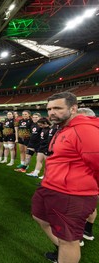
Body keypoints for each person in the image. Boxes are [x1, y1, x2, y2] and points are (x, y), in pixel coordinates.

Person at [31, 92, 99, 263]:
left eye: (57, 108)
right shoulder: (64, 127)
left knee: (69, 240)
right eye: (49, 109)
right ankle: (61, 251)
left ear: (73, 108)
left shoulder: (84, 129)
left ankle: (65, 252)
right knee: (40, 217)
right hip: (51, 187)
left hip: (72, 194)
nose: (52, 112)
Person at [76, 107, 97, 244]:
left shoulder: (90, 133)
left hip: (88, 178)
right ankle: (87, 231)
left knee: (80, 207)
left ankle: (77, 236)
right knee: (91, 205)